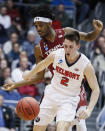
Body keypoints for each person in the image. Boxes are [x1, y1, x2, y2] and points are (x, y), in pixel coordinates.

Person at [2, 5, 103, 131]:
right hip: (54, 90)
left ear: (49, 23)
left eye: (41, 25)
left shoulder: (66, 33)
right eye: (36, 26)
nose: (38, 29)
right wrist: (16, 84)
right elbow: (38, 76)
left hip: (73, 90)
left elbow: (88, 37)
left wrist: (97, 31)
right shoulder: (39, 48)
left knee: (75, 126)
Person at [22, 31, 100, 131]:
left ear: (78, 46)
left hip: (69, 100)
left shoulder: (85, 64)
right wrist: (30, 74)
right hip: (51, 95)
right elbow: (43, 64)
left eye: (71, 47)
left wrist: (89, 109)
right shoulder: (56, 55)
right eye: (65, 46)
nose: (67, 50)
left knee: (61, 129)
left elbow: (96, 88)